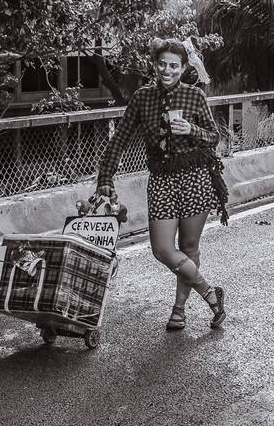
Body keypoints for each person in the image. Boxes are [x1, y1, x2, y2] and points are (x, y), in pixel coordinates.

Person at [96, 37, 230, 331]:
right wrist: (105, 176)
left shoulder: (195, 96)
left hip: (195, 178)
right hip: (161, 180)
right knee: (162, 249)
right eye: (162, 64)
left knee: (189, 246)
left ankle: (179, 310)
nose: (167, 70)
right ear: (154, 65)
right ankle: (210, 293)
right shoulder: (142, 97)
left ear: (183, 68)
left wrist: (191, 129)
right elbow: (120, 139)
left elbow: (213, 137)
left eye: (174, 65)